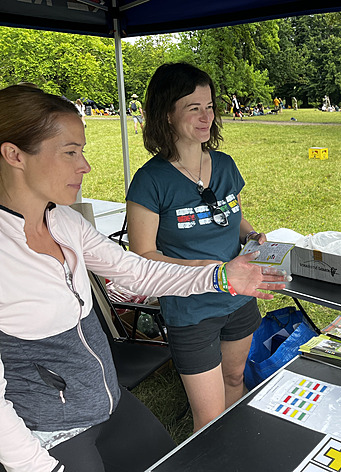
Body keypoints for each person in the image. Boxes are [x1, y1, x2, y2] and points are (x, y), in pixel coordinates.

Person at [0, 84, 288, 472]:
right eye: (70, 152)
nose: (84, 166)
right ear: (14, 154)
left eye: (81, 151)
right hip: (49, 430)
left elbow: (135, 271)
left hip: (108, 402)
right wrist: (38, 467)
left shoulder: (62, 221)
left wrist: (223, 276)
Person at [125, 62, 275, 433]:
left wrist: (254, 236)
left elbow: (233, 216)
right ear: (166, 114)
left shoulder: (224, 165)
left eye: (209, 106)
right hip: (191, 310)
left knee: (236, 379)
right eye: (193, 107)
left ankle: (236, 449)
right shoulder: (150, 181)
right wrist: (211, 271)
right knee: (208, 418)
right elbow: (143, 256)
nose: (206, 116)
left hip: (239, 298)